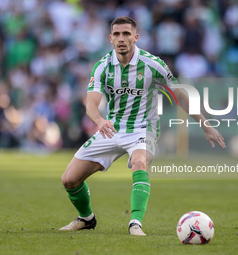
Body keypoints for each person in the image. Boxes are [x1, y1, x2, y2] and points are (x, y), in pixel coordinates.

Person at [60, 16, 226, 236]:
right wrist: (100, 121)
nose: (121, 39)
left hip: (142, 128)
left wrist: (205, 124)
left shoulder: (153, 64)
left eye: (126, 34)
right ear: (110, 39)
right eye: (117, 34)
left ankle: (135, 222)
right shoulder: (102, 67)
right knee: (69, 179)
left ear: (135, 37)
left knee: (139, 162)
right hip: (112, 128)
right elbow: (91, 103)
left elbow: (181, 97)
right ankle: (86, 218)